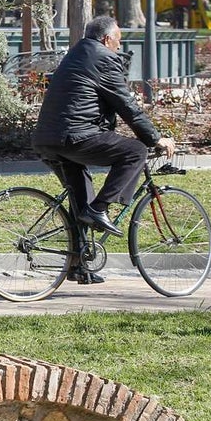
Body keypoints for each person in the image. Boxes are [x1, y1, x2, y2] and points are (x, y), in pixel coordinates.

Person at [32, 16, 176, 284]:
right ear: (107, 39)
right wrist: (155, 139)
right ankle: (100, 209)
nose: (119, 48)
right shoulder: (104, 58)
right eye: (118, 42)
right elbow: (126, 105)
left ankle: (80, 266)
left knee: (80, 201)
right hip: (75, 137)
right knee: (135, 151)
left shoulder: (76, 55)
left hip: (47, 140)